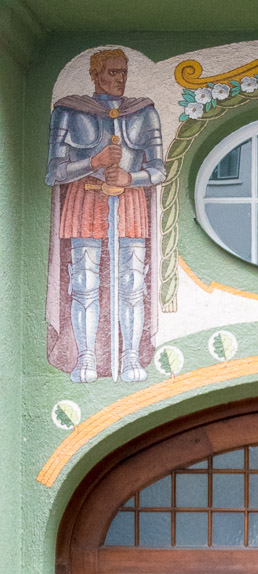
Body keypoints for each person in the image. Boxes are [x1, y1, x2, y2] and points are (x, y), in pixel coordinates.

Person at [45, 49, 166, 383]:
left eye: (123, 73)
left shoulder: (143, 112)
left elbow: (158, 170)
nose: (118, 79)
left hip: (129, 203)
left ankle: (129, 356)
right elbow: (53, 172)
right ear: (95, 74)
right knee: (84, 284)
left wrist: (131, 178)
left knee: (132, 284)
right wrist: (92, 163)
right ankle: (86, 357)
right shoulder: (69, 111)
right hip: (85, 201)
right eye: (112, 72)